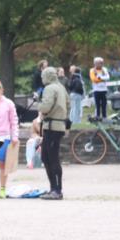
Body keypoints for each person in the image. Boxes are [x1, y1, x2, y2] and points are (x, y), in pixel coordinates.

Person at [34, 66, 69, 199]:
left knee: (51, 158)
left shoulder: (49, 88)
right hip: (58, 125)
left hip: (52, 126)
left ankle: (57, 190)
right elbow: (68, 103)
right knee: (47, 157)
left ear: (47, 76)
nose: (42, 79)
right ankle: (54, 188)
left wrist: (38, 104)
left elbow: (46, 107)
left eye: (43, 76)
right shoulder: (61, 87)